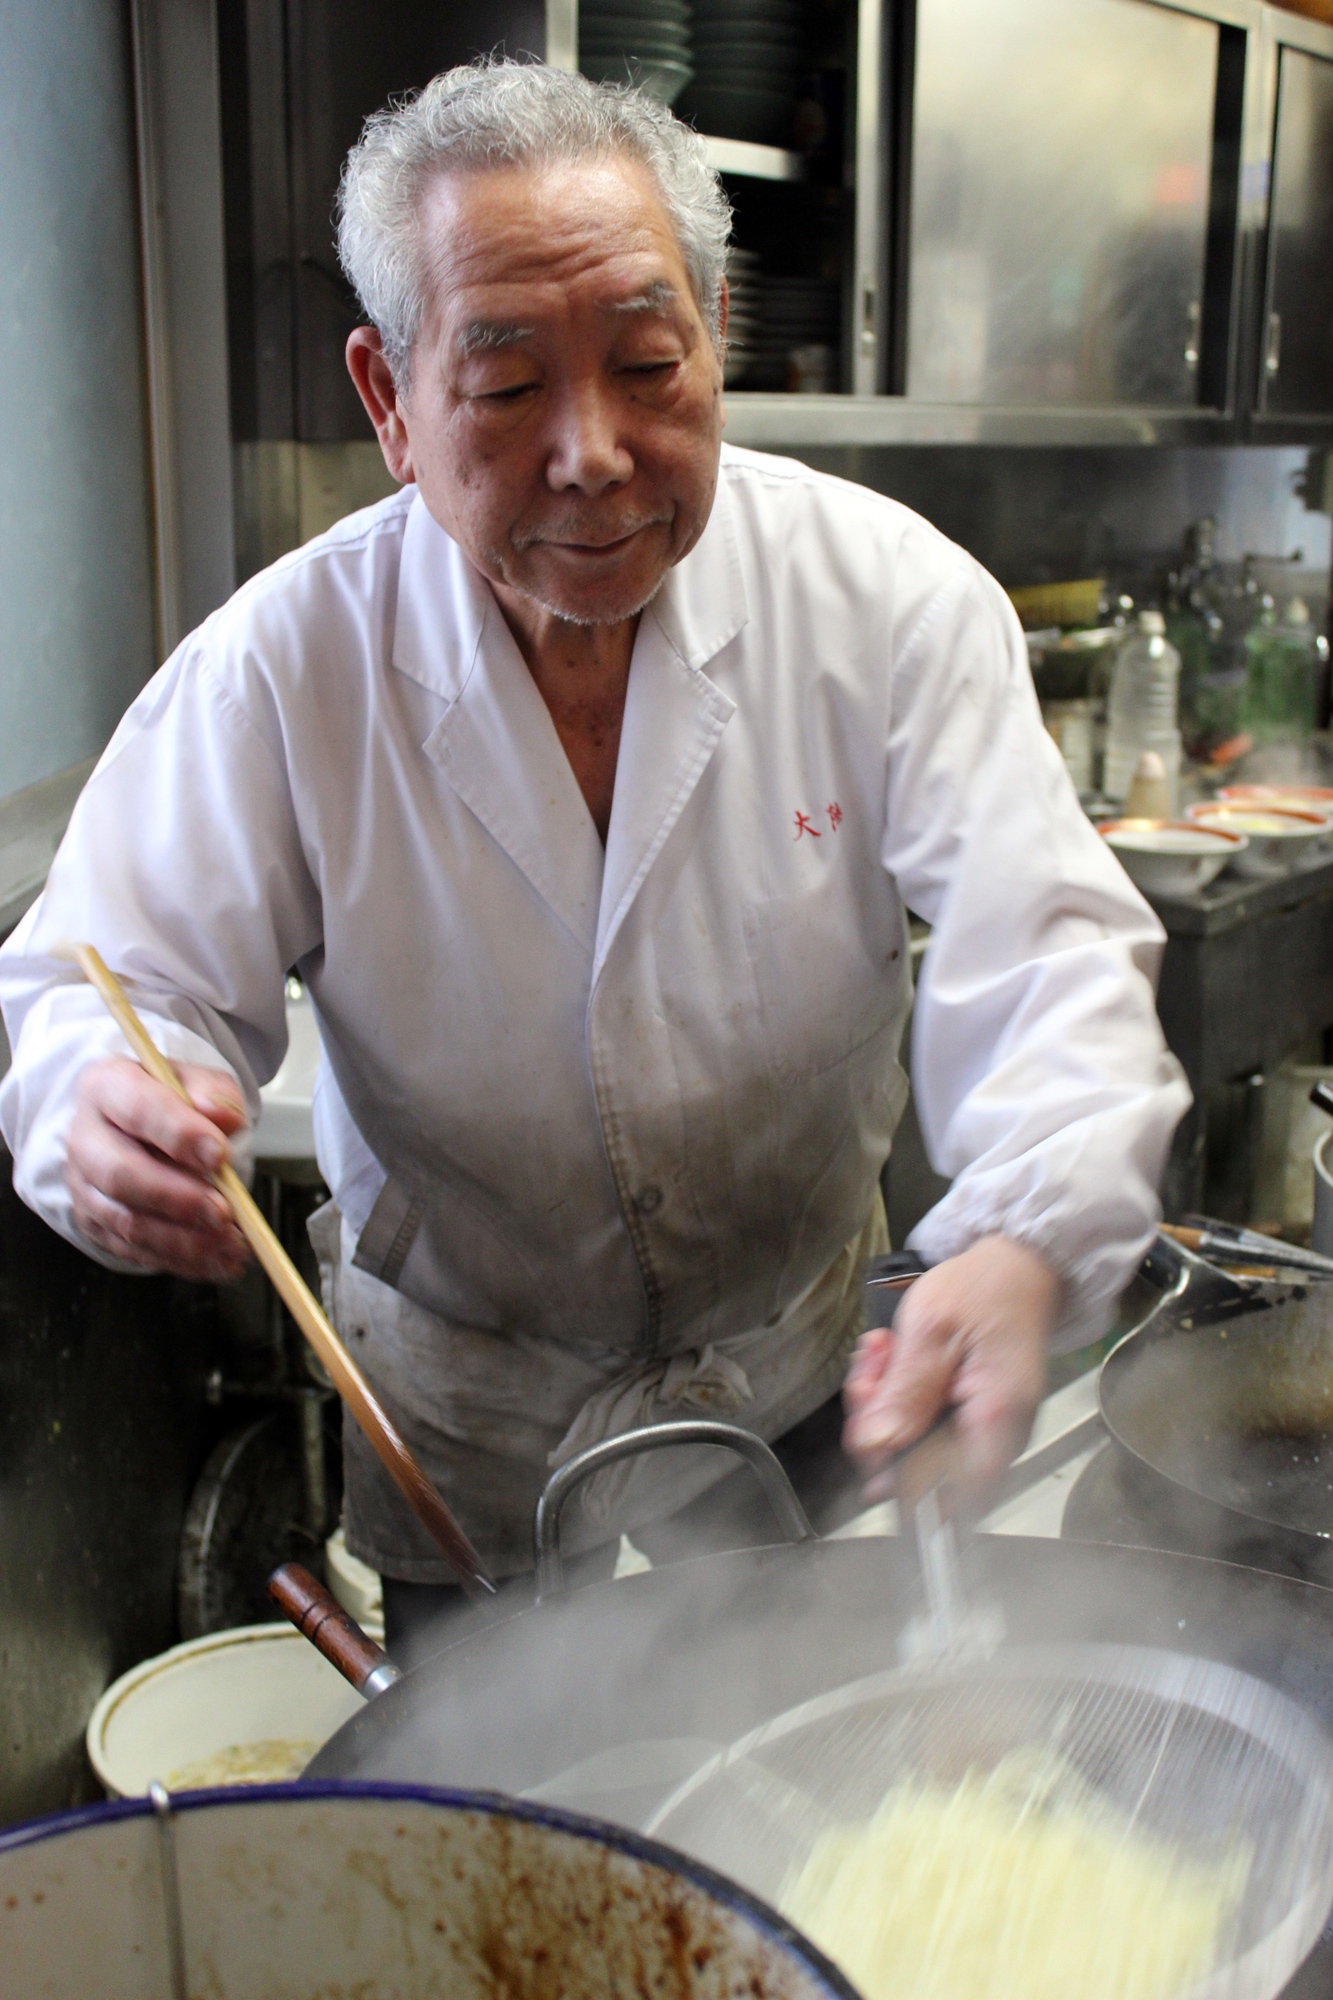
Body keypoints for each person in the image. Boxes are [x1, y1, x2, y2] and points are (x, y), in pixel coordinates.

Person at [0, 62, 1187, 1645]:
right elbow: (107, 981)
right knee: (506, 1837)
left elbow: (1044, 950)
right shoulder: (282, 672)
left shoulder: (887, 605)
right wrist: (98, 1111)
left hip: (806, 1374)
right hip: (469, 1430)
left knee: (813, 1758)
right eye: (503, 390)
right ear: (388, 399)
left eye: (647, 362)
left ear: (713, 333)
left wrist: (1028, 1231)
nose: (594, 453)